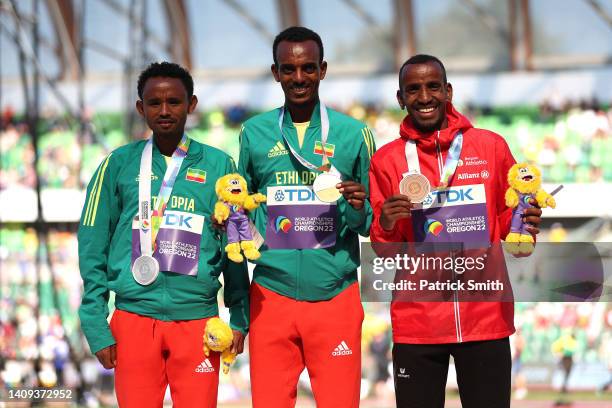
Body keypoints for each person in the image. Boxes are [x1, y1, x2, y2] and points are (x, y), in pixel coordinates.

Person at [369, 54, 543, 408]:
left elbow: (513, 231)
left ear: (447, 91)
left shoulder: (490, 147)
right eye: (413, 89)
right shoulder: (386, 160)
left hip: (486, 318)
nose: (424, 96)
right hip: (418, 324)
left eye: (433, 86)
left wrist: (527, 223)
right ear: (401, 98)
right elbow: (385, 250)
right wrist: (386, 223)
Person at [78, 61, 249, 408]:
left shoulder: (220, 166)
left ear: (192, 104)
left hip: (198, 322)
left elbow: (237, 246)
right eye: (154, 103)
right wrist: (96, 324)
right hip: (134, 321)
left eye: (175, 101)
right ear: (141, 108)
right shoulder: (117, 165)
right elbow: (92, 247)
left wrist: (240, 317)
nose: (165, 111)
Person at [237, 26, 375, 407]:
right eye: (289, 69)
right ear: (275, 72)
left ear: (323, 69)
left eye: (308, 68)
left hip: (335, 296)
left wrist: (359, 207)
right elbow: (240, 207)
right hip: (270, 296)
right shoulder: (254, 132)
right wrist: (256, 243)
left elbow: (368, 224)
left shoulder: (354, 133)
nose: (299, 78)